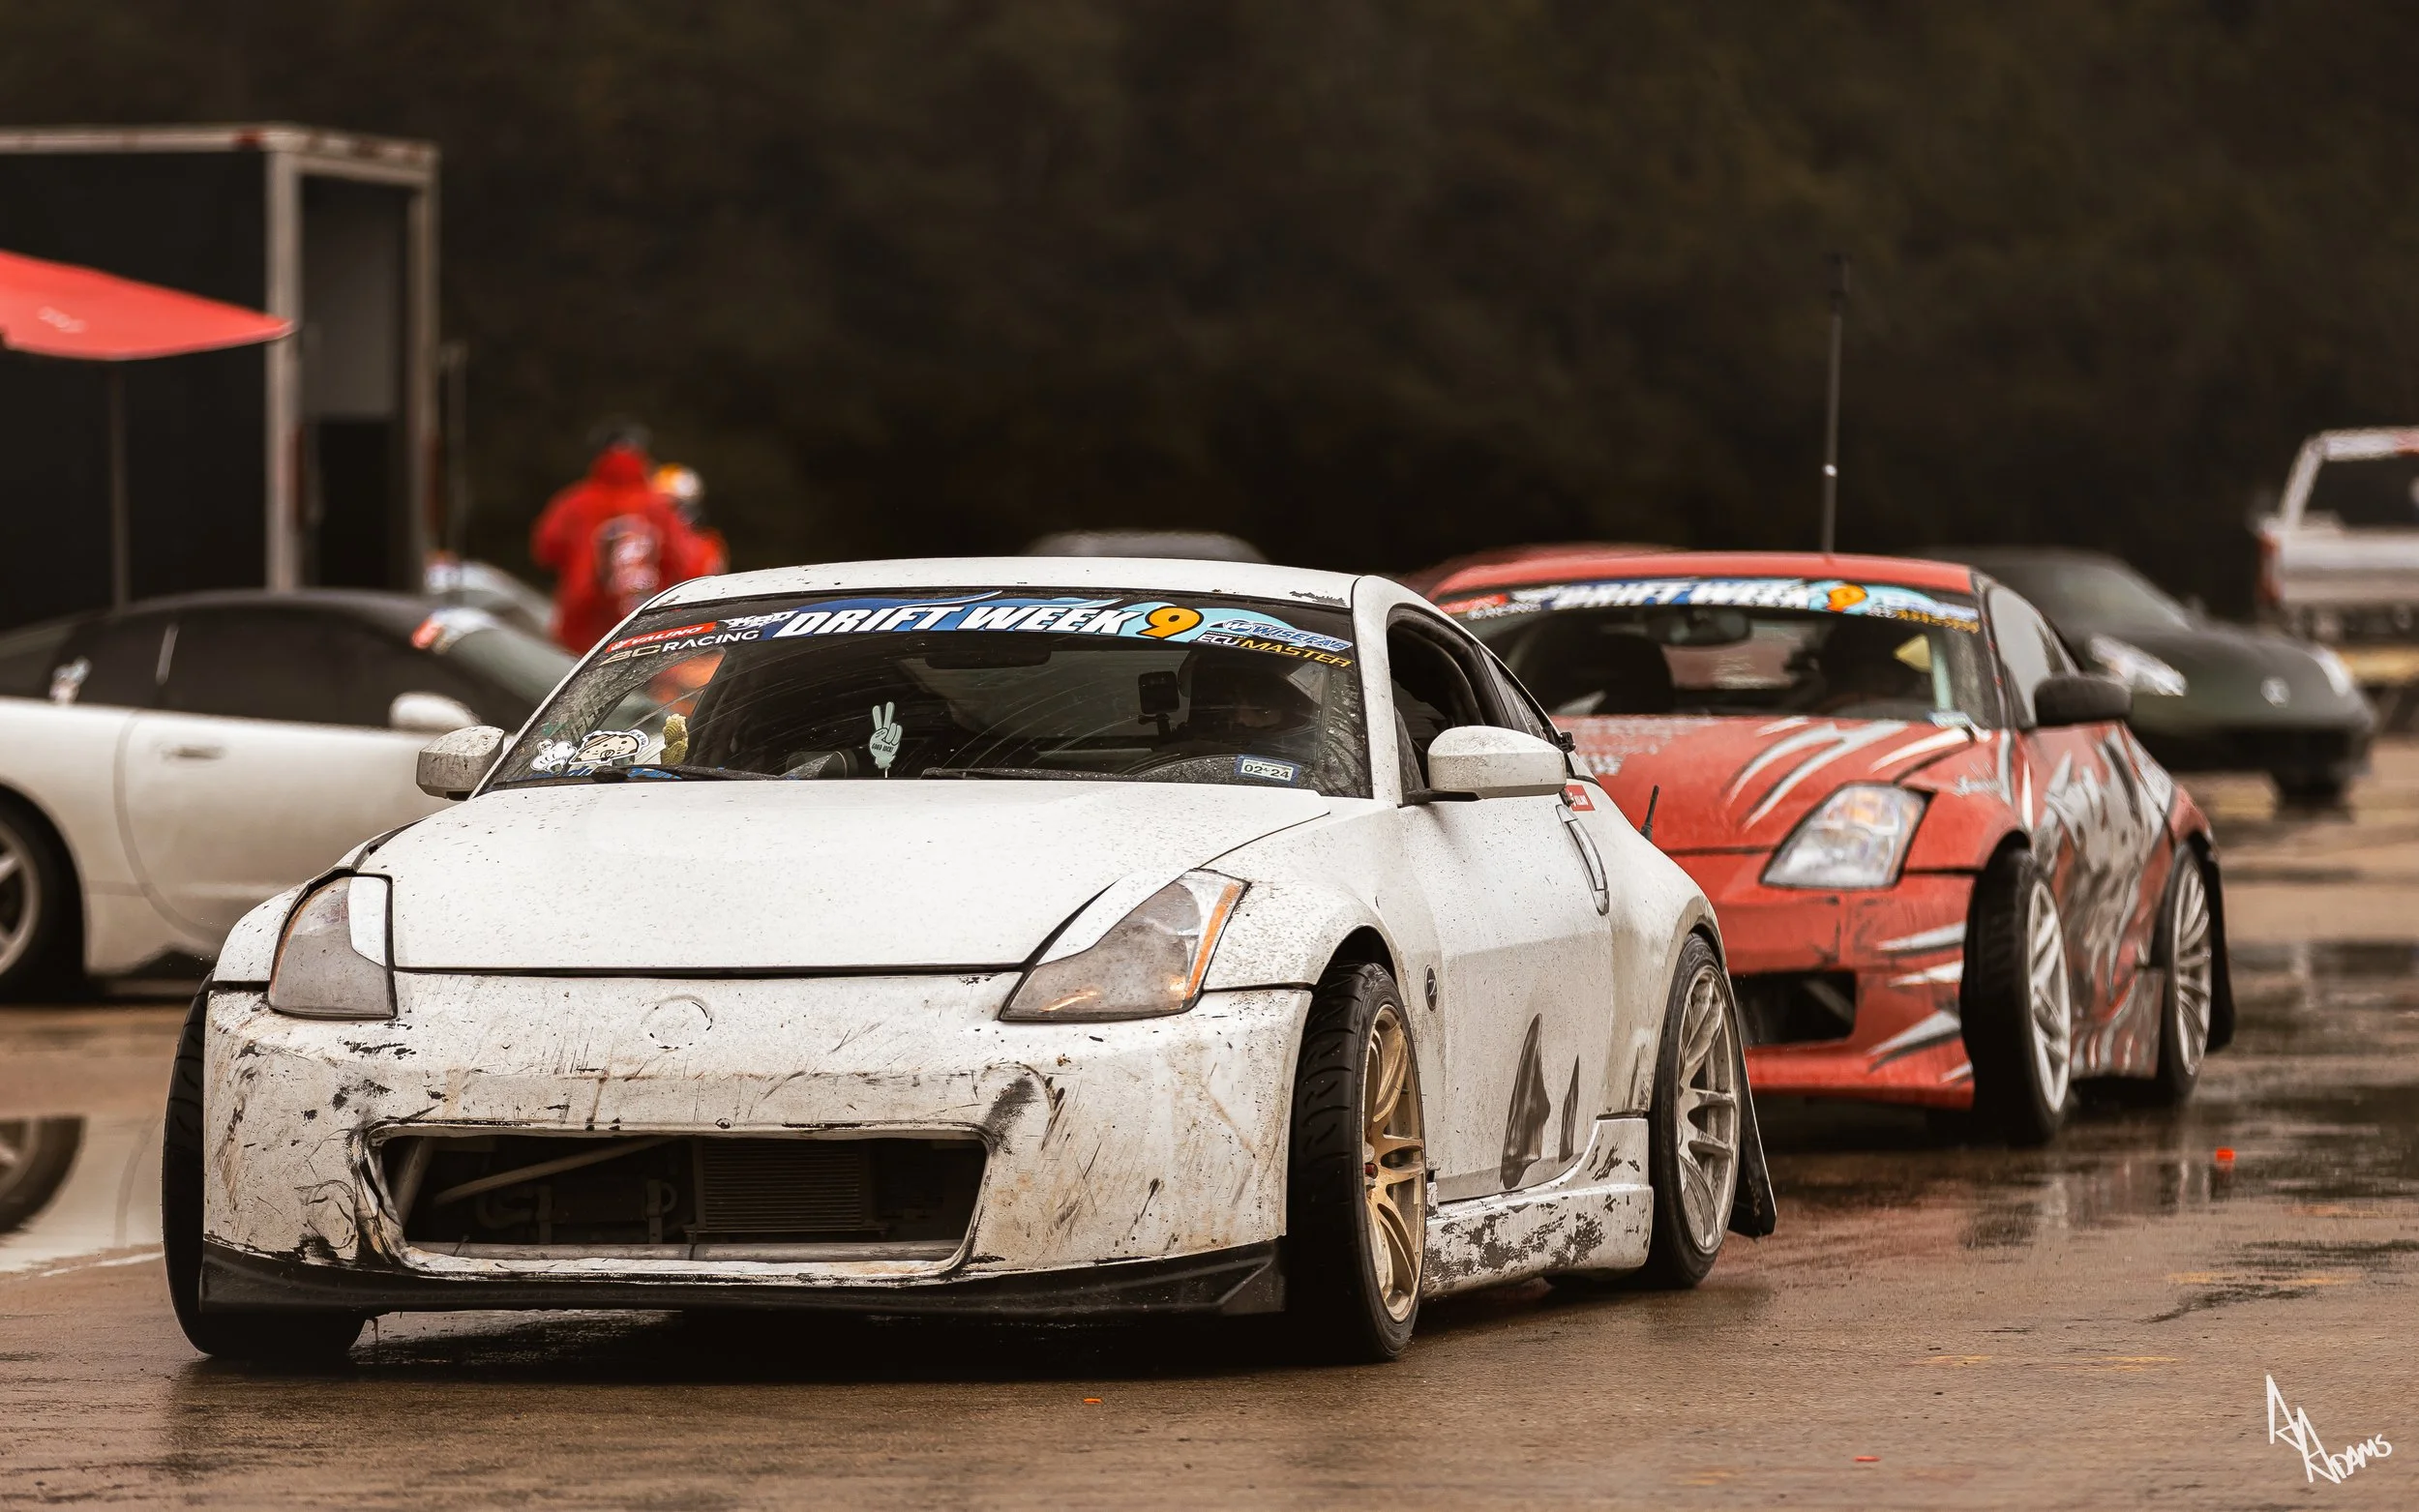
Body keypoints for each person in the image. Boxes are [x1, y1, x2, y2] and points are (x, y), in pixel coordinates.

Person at [531, 423, 719, 653]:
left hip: (581, 622)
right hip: (640, 625)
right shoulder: (658, 506)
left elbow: (545, 551)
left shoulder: (574, 500)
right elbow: (684, 563)